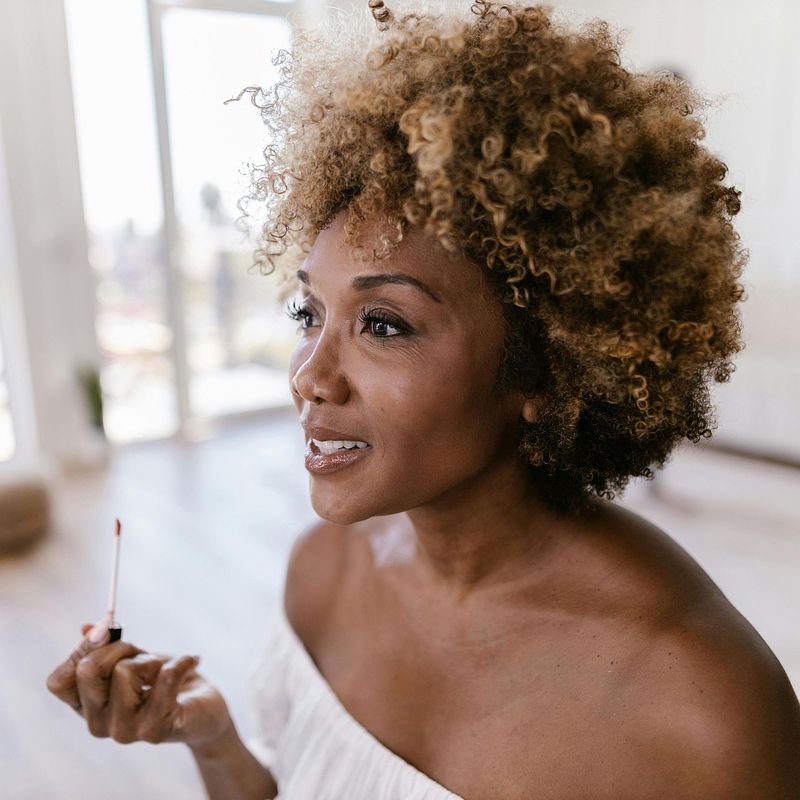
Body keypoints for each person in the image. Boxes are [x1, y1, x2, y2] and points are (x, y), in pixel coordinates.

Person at [47, 1, 800, 797]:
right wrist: (213, 741)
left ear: (542, 368)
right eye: (309, 313)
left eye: (383, 323)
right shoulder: (325, 572)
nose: (309, 375)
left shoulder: (702, 714)